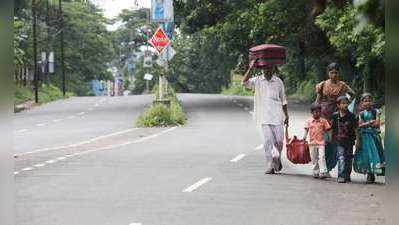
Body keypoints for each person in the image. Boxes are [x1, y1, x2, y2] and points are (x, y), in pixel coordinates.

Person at [242, 59, 289, 175]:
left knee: (279, 141)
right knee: (268, 141)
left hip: (277, 116)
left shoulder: (278, 82)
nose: (268, 70)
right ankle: (270, 164)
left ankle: (277, 159)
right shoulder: (257, 81)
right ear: (262, 69)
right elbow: (244, 82)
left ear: (273, 69)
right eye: (266, 68)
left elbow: (283, 99)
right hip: (263, 117)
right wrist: (251, 68)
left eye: (270, 68)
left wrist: (287, 115)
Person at [315, 62, 356, 172]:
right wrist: (315, 114)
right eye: (331, 72)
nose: (334, 75)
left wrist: (345, 104)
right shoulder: (322, 85)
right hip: (323, 114)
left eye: (336, 73)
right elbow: (317, 100)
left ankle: (327, 168)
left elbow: (353, 94)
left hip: (337, 116)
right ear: (328, 73)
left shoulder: (342, 85)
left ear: (339, 73)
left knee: (334, 143)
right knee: (323, 142)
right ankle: (319, 167)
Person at [353, 93, 385, 183]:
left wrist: (366, 124)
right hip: (365, 138)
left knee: (375, 154)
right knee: (367, 155)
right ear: (362, 103)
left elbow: (377, 124)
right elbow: (360, 125)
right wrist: (369, 123)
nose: (368, 103)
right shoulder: (361, 114)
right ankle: (369, 174)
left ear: (373, 102)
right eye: (365, 101)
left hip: (374, 137)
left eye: (370, 100)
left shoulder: (376, 111)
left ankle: (374, 172)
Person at [330, 96, 360, 183]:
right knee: (341, 157)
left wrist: (358, 140)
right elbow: (332, 128)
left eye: (347, 103)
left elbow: (356, 129)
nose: (345, 105)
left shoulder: (352, 116)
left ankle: (347, 175)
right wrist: (331, 139)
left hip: (350, 141)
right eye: (343, 103)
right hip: (339, 141)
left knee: (348, 158)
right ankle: (341, 175)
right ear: (338, 105)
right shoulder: (335, 116)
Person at [303, 103, 331, 179]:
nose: (317, 113)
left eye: (319, 111)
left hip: (321, 142)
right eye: (315, 112)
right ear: (312, 112)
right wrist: (304, 137)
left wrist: (329, 138)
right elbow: (306, 130)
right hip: (312, 143)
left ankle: (323, 172)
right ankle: (316, 171)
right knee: (314, 158)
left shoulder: (323, 121)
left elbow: (328, 130)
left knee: (322, 156)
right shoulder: (309, 121)